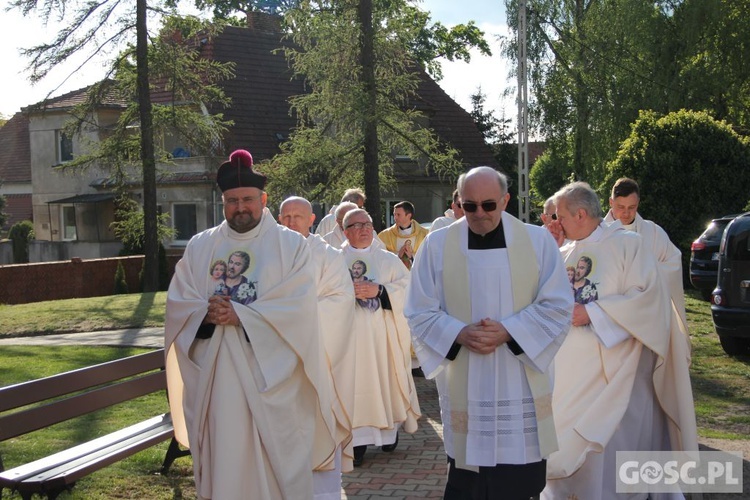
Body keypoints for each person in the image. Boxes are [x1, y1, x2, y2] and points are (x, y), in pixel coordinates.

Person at [164, 149, 337, 500]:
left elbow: (299, 308)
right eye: (231, 201)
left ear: (263, 199)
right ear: (222, 201)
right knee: (223, 463)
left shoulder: (291, 246)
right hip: (215, 379)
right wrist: (205, 314)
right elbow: (179, 303)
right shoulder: (200, 246)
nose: (240, 207)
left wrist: (241, 316)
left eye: (247, 199)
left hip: (269, 380)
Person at [404, 166, 574, 500]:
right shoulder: (437, 245)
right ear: (459, 203)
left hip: (518, 378)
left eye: (488, 205)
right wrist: (458, 333)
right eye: (470, 206)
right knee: (467, 481)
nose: (479, 214)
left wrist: (509, 331)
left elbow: (558, 305)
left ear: (506, 200)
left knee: (518, 480)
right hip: (465, 375)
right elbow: (418, 309)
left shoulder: (537, 241)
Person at [542, 181, 698, 499]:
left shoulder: (628, 245)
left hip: (618, 377)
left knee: (610, 462)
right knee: (566, 455)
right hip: (570, 377)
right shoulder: (566, 250)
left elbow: (648, 300)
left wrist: (592, 314)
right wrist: (551, 250)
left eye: (560, 216)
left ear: (581, 214)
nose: (556, 222)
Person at [279, 196, 357, 498]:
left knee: (317, 425)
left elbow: (340, 300)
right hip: (272, 360)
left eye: (298, 216)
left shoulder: (327, 256)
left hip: (317, 358)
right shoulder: (270, 253)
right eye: (285, 216)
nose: (290, 222)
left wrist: (295, 323)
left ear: (312, 220)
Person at [341, 208, 421, 466]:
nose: (364, 229)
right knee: (354, 387)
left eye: (368, 224)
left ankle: (388, 430)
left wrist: (381, 290)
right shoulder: (333, 260)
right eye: (357, 225)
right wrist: (345, 294)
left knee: (384, 381)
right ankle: (357, 442)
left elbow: (408, 290)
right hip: (348, 341)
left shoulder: (387, 260)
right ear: (345, 231)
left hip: (383, 339)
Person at [603, 177, 692, 346]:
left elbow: (672, 262)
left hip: (647, 314)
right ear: (610, 202)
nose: (626, 213)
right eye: (620, 207)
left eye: (632, 207)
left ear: (638, 203)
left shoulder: (653, 232)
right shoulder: (598, 233)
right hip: (611, 314)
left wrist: (647, 273)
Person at [378, 200, 429, 269]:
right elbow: (379, 257)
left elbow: (429, 258)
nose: (395, 217)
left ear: (408, 216)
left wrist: (412, 257)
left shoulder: (425, 234)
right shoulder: (385, 236)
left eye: (398, 215)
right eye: (394, 214)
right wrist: (397, 255)